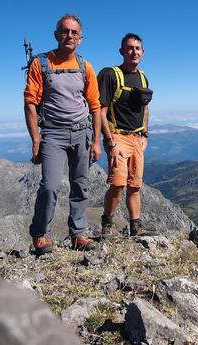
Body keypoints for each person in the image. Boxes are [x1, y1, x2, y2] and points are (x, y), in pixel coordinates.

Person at [24, 14, 102, 255]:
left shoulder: (85, 67)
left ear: (81, 38)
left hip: (82, 132)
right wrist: (36, 139)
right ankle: (40, 234)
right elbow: (29, 103)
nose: (69, 36)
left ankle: (78, 233)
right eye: (65, 31)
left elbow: (95, 106)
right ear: (56, 34)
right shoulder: (41, 63)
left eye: (74, 33)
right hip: (52, 134)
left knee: (81, 185)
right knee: (50, 185)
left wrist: (97, 141)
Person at [98, 33, 152, 238]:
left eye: (138, 48)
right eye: (129, 48)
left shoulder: (143, 77)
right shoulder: (110, 75)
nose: (134, 52)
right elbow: (100, 111)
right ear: (121, 51)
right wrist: (110, 142)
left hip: (137, 138)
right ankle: (107, 224)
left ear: (143, 52)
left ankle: (135, 228)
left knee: (135, 185)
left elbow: (145, 110)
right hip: (117, 136)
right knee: (118, 183)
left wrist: (145, 135)